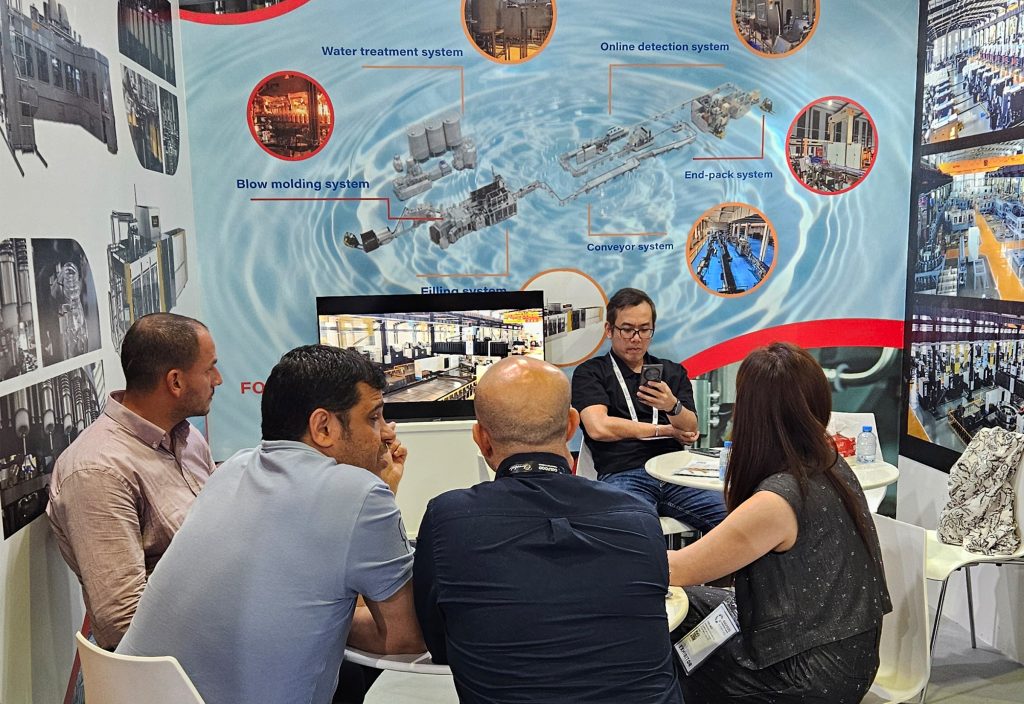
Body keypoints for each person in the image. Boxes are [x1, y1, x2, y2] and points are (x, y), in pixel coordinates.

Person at [117, 345, 423, 704]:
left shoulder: (233, 467)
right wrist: (325, 617)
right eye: (374, 418)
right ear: (323, 427)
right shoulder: (360, 494)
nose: (386, 433)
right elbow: (405, 637)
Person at [415, 356, 682, 704]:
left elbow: (439, 644)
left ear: (481, 439)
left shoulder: (448, 520)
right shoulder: (638, 516)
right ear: (572, 425)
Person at [666, 342, 891, 703]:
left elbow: (677, 568)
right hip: (844, 653)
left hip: (809, 674)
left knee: (665, 642)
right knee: (689, 606)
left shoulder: (777, 500)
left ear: (751, 413)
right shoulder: (830, 463)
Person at [47, 312, 222, 650]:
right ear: (175, 382)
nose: (218, 379)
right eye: (209, 369)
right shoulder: (97, 471)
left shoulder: (185, 437)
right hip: (171, 661)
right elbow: (123, 624)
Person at [571, 287, 726, 533]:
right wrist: (665, 430)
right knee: (633, 531)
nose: (636, 338)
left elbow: (690, 428)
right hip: (624, 473)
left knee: (737, 520)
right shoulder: (592, 373)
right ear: (609, 330)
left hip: (675, 472)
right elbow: (598, 427)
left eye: (644, 330)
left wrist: (672, 405)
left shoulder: (672, 372)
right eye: (627, 329)